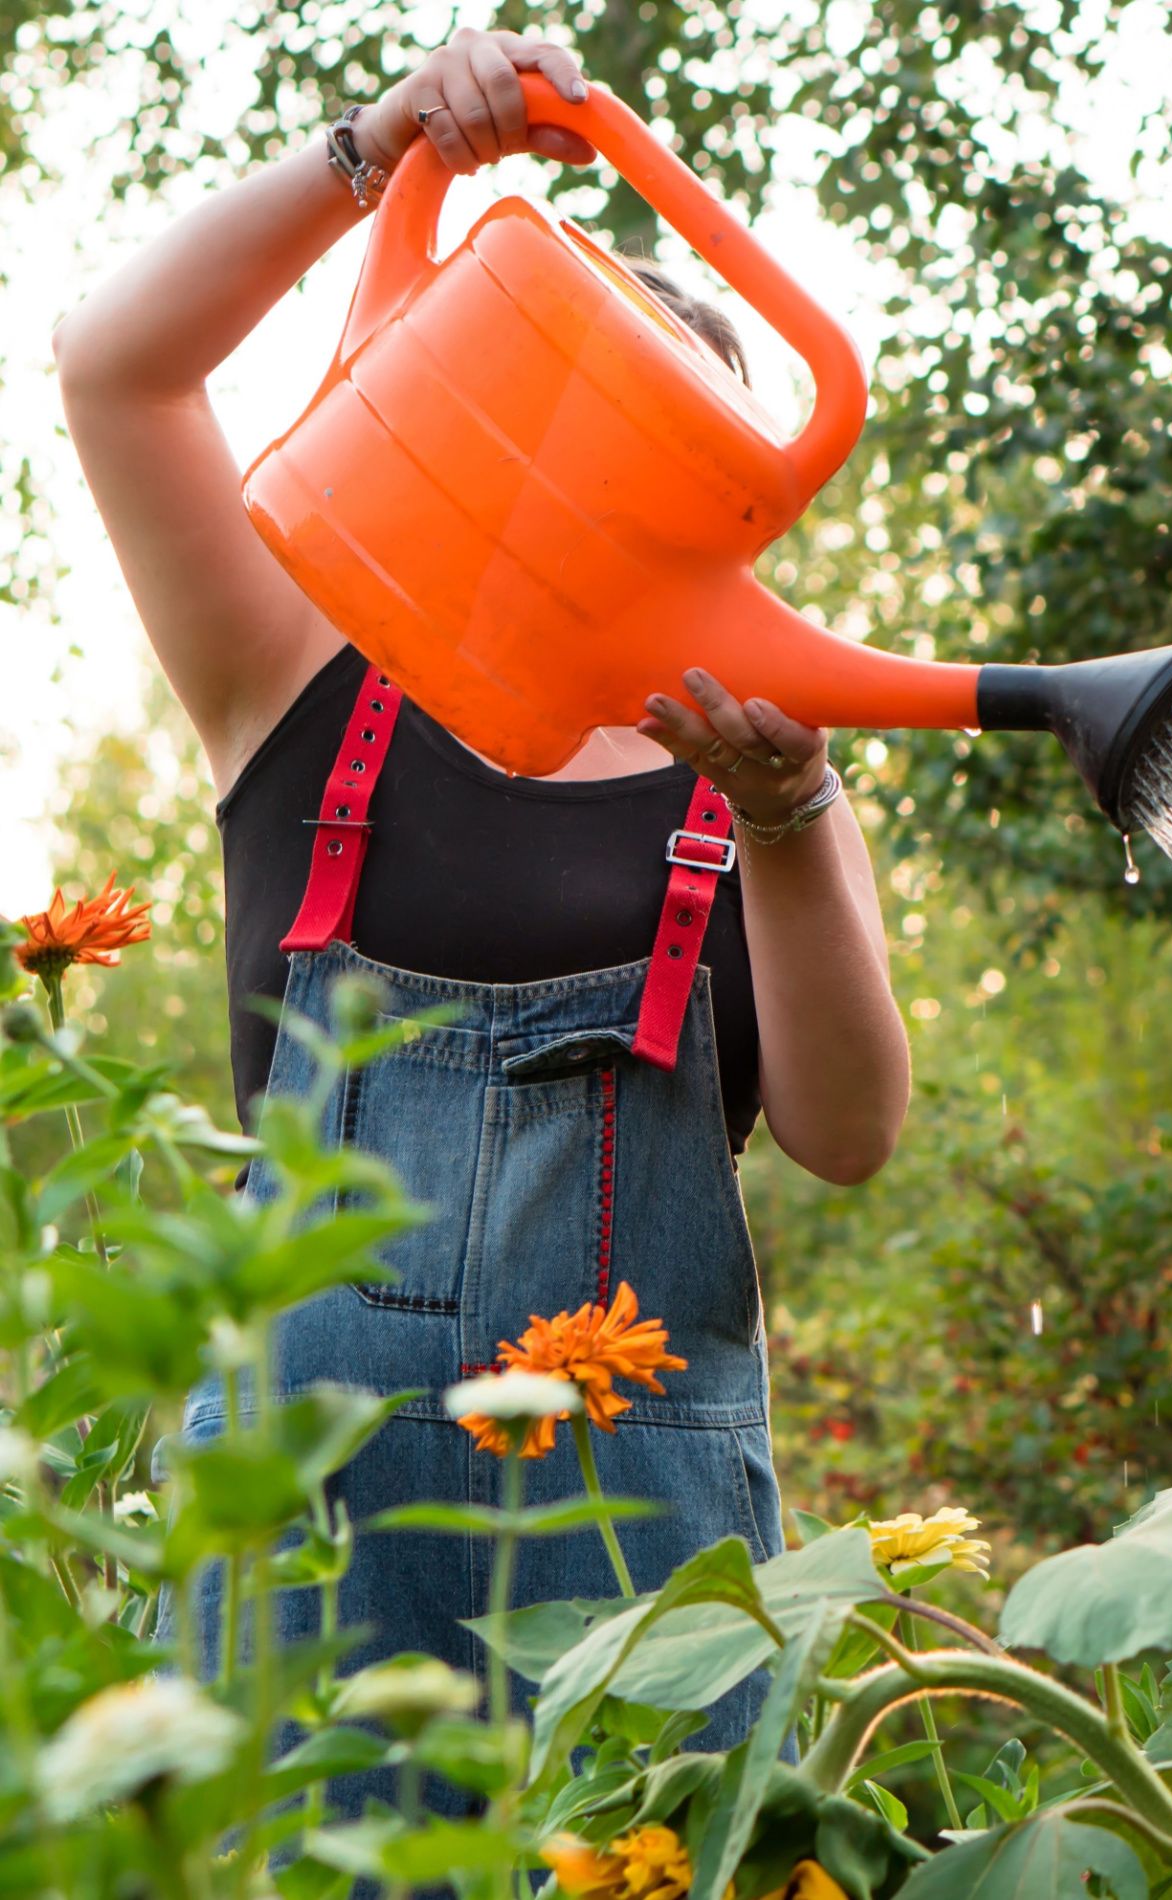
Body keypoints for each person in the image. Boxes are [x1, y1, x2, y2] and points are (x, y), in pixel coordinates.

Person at [51, 25, 911, 1789]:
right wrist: (374, 151)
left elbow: (847, 1132)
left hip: (634, 1543)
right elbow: (116, 370)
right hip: (295, 1517)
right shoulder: (299, 675)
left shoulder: (747, 773)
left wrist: (793, 816)